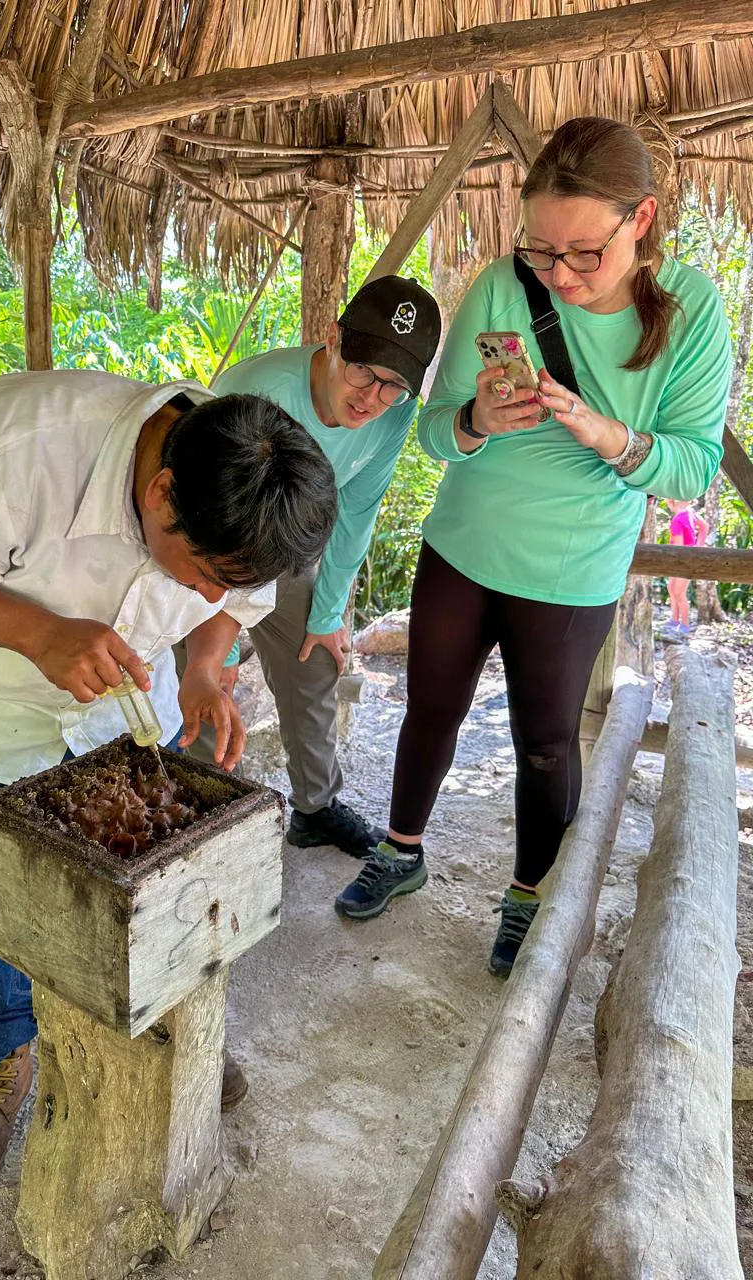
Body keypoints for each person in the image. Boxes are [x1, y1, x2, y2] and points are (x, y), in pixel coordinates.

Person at [0, 370, 337, 1196]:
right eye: (203, 570)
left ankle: (163, 1022)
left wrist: (206, 667)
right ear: (160, 490)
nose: (214, 594)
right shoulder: (13, 452)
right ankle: (1, 1056)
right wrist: (38, 631)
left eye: (231, 580)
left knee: (148, 875)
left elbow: (233, 602)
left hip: (122, 720)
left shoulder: (248, 499)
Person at [335, 117, 732, 978]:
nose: (557, 275)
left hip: (572, 568)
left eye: (583, 254)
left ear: (642, 219)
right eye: (540, 251)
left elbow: (694, 463)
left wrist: (606, 434)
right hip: (464, 544)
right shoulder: (501, 283)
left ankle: (529, 896)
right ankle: (401, 851)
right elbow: (434, 434)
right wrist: (476, 421)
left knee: (547, 743)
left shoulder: (694, 312)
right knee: (429, 709)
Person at [198, 276, 441, 857]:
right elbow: (203, 522)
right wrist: (223, 646)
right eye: (363, 370)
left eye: (393, 387)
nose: (371, 398)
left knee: (315, 669)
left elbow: (358, 509)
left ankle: (315, 808)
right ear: (333, 339)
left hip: (288, 555)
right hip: (211, 555)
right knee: (211, 687)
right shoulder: (255, 390)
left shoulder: (393, 414)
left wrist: (327, 611)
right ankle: (207, 820)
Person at [664, 496, 709, 639]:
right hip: (686, 556)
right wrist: (699, 545)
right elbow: (704, 527)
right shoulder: (690, 512)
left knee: (678, 592)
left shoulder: (677, 521)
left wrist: (697, 549)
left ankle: (685, 625)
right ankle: (674, 620)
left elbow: (679, 548)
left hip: (683, 560)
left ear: (672, 502)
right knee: (671, 589)